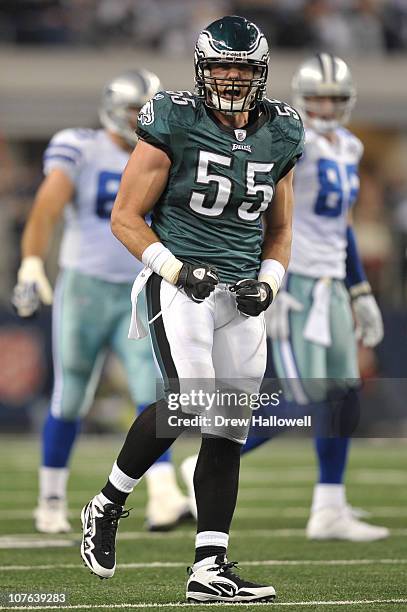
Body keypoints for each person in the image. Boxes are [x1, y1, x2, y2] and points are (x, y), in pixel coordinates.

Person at [80, 15, 304, 604]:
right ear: (204, 69)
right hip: (180, 281)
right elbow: (125, 217)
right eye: (224, 66)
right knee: (190, 401)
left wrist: (271, 282)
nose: (232, 78)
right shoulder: (174, 119)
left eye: (244, 68)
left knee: (228, 427)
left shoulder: (280, 131)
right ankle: (106, 506)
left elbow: (280, 229)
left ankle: (209, 567)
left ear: (261, 73)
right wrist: (178, 268)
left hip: (241, 292)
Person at [12, 69, 190, 535]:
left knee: (152, 394)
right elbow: (48, 204)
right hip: (86, 288)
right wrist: (31, 260)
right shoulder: (81, 145)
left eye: (146, 109)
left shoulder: (168, 153)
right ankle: (51, 499)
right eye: (135, 108)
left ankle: (164, 495)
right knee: (71, 395)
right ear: (115, 107)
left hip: (139, 287)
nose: (141, 117)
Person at [233, 53, 387, 541]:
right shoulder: (287, 137)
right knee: (297, 400)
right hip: (293, 281)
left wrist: (358, 287)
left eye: (334, 98)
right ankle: (205, 462)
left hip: (329, 283)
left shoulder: (350, 146)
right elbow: (261, 210)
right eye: (317, 96)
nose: (324, 105)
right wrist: (266, 280)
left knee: (342, 394)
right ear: (301, 97)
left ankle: (329, 507)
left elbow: (340, 227)